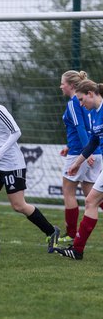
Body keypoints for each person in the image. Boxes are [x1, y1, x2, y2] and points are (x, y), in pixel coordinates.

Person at [0, 79, 60, 254]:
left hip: (12, 165)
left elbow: (16, 132)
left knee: (19, 206)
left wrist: (0, 153)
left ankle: (51, 231)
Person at [55, 79, 103, 260]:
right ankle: (77, 249)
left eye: (82, 100)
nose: (81, 104)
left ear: (91, 93)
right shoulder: (97, 113)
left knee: (91, 201)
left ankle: (77, 249)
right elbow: (94, 142)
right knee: (91, 201)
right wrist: (77, 163)